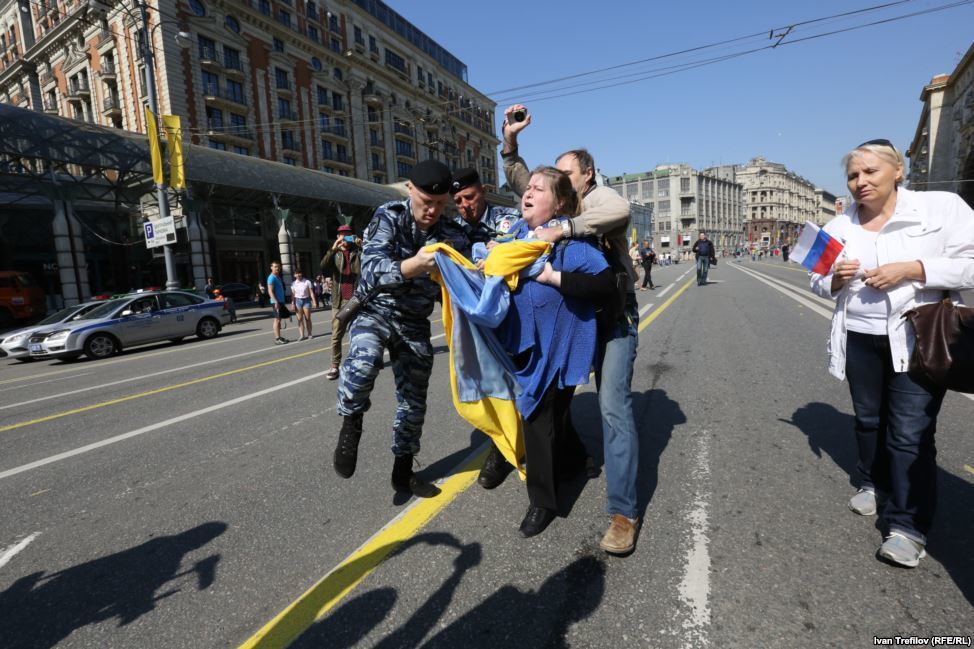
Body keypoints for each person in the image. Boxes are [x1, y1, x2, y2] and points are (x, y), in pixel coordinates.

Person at [810, 138, 974, 568]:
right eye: (852, 175)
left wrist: (915, 269)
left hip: (918, 338)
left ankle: (907, 526)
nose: (859, 182)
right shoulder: (837, 227)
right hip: (859, 337)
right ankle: (871, 482)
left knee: (909, 433)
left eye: (870, 172)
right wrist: (835, 280)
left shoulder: (942, 208)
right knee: (868, 419)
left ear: (897, 170)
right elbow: (816, 279)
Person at [500, 103, 641, 555]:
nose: (552, 181)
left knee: (613, 407)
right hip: (571, 320)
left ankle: (623, 514)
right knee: (547, 402)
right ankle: (572, 462)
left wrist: (564, 229)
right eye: (551, 176)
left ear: (586, 175)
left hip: (612, 316)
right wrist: (510, 141)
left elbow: (618, 209)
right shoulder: (553, 195)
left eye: (564, 174)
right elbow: (523, 181)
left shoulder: (599, 201)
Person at [333, 160, 469, 496]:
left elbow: (477, 254)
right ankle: (352, 422)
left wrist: (488, 250)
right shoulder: (389, 216)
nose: (433, 211)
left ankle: (403, 471)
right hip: (376, 310)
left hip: (414, 322)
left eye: (440, 205)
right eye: (427, 202)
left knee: (414, 402)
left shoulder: (451, 232)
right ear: (410, 189)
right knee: (363, 365)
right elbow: (373, 268)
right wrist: (414, 265)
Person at [496, 166, 617, 537]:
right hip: (523, 346)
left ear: (561, 203)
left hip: (558, 349)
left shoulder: (572, 245)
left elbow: (606, 283)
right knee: (555, 416)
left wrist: (553, 277)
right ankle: (578, 459)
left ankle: (543, 502)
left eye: (538, 189)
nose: (527, 193)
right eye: (526, 187)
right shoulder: (514, 235)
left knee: (539, 419)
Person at [320, 224, 362, 380]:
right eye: (341, 235)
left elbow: (369, 265)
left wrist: (362, 246)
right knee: (336, 335)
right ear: (338, 237)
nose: (344, 239)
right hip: (339, 300)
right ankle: (334, 366)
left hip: (356, 298)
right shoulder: (335, 254)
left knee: (358, 333)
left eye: (348, 235)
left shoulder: (357, 252)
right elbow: (323, 265)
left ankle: (358, 362)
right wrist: (333, 248)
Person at [450, 167, 521, 244]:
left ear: (483, 191)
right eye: (458, 201)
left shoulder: (511, 218)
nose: (465, 205)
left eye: (469, 197)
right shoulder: (450, 230)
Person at [290, 269, 317, 341]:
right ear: (294, 275)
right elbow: (293, 295)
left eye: (299, 273)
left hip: (306, 300)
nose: (298, 275)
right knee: (300, 319)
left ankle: (310, 334)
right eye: (296, 273)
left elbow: (311, 293)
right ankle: (302, 335)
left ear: (301, 274)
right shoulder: (293, 283)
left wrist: (314, 302)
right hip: (297, 301)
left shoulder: (307, 282)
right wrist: (292, 303)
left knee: (307, 318)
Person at [266, 261, 288, 345]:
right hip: (276, 302)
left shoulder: (278, 277)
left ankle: (279, 336)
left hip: (280, 301)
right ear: (271, 267)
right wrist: (275, 301)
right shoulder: (271, 277)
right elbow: (270, 291)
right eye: (275, 267)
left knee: (279, 319)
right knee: (277, 319)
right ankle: (277, 338)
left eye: (278, 267)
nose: (277, 268)